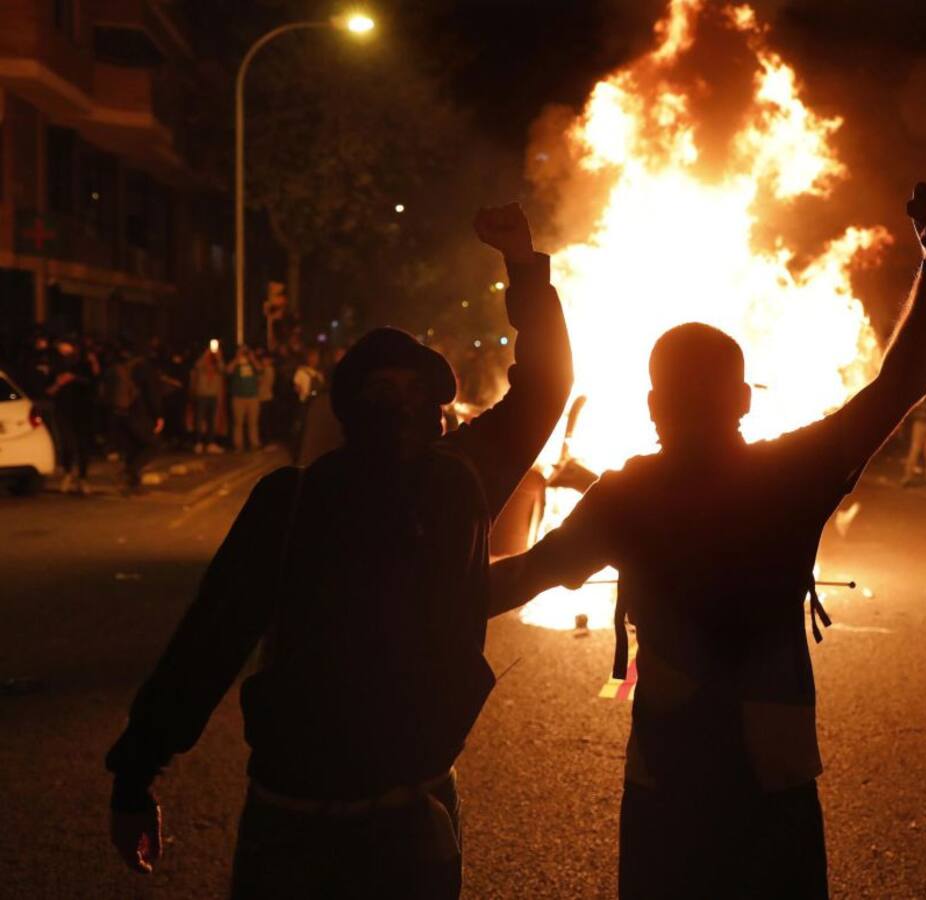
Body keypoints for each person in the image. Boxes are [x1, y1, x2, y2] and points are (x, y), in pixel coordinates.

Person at [490, 183, 926, 899]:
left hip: (669, 775)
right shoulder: (791, 474)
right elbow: (900, 384)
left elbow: (518, 578)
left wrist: (397, 592)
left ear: (651, 405)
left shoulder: (626, 495)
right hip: (773, 772)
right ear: (745, 400)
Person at [105, 203, 572, 898]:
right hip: (306, 812)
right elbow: (210, 639)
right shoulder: (303, 500)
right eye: (386, 394)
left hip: (393, 801)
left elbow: (546, 384)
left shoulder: (452, 480)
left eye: (415, 394)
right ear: (353, 413)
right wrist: (135, 773)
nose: (403, 408)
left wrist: (525, 268)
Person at [104, 342, 164, 495]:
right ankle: (129, 472)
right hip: (138, 411)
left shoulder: (118, 366)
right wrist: (158, 415)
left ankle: (132, 485)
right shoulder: (144, 368)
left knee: (133, 447)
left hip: (119, 411)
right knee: (153, 445)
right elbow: (152, 393)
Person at [46, 336, 99, 495]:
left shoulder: (84, 364)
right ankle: (68, 473)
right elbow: (48, 390)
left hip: (83, 409)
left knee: (83, 444)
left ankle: (83, 478)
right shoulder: (55, 365)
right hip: (63, 409)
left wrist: (75, 378)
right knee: (67, 443)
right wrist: (59, 383)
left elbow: (94, 382)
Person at [227, 345, 263, 452]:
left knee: (253, 423)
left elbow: (260, 369)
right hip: (238, 397)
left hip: (252, 397)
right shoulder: (236, 363)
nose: (244, 353)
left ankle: (254, 444)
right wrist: (237, 358)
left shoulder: (253, 363)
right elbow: (228, 370)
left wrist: (252, 358)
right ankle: (238, 445)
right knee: (238, 423)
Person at [191, 344, 225, 454]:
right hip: (201, 395)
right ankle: (198, 443)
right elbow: (197, 365)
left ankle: (210, 443)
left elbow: (223, 368)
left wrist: (218, 357)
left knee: (212, 421)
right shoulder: (201, 366)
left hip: (213, 396)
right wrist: (206, 353)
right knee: (199, 420)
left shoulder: (217, 366)